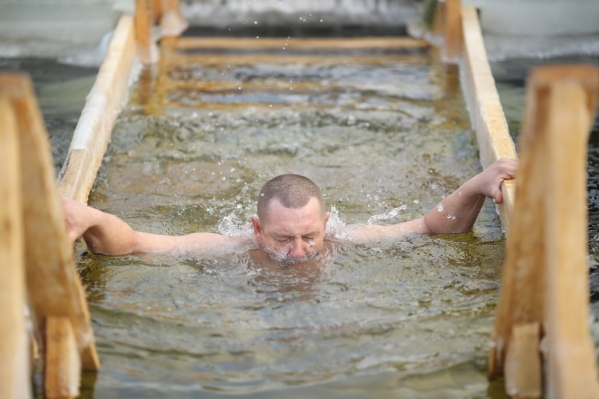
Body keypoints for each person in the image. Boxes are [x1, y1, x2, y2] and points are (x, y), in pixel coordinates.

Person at [62, 158, 518, 263]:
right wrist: (94, 218)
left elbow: (430, 226)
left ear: (325, 224)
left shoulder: (342, 237)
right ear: (258, 230)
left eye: (309, 237)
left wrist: (477, 184)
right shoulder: (233, 247)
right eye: (283, 239)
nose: (299, 253)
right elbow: (138, 243)